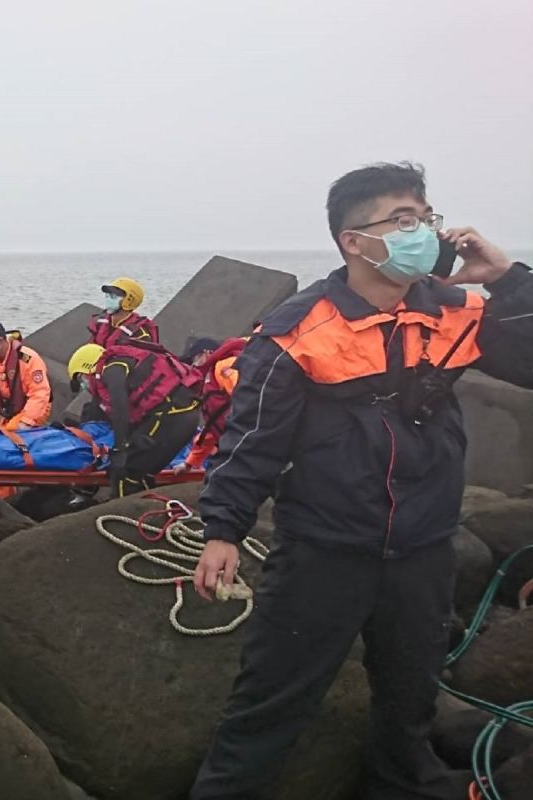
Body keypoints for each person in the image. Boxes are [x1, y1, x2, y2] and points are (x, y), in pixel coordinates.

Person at [189, 162, 533, 800]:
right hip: (323, 549)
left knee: (410, 695)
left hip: (424, 547)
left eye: (425, 218)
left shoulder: (456, 311)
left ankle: (401, 783)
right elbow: (253, 440)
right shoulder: (297, 330)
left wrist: (510, 280)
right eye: (403, 220)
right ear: (354, 240)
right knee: (271, 699)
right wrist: (223, 532)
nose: (423, 231)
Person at [68, 341, 201, 497]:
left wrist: (119, 448)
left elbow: (120, 408)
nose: (85, 386)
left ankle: (122, 516)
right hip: (185, 416)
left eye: (81, 380)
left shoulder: (112, 369)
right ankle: (146, 510)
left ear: (87, 368)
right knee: (143, 473)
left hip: (172, 413)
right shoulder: (126, 366)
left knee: (125, 471)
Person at [176, 337, 246, 474]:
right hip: (243, 445)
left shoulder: (224, 366)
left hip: (255, 443)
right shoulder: (210, 382)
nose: (193, 366)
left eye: (194, 360)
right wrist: (190, 462)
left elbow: (250, 398)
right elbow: (213, 426)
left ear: (207, 353)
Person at [0, 320, 52, 430]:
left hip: (32, 410)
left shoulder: (28, 360)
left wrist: (25, 421)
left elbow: (40, 393)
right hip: (5, 411)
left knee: (12, 432)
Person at [88, 277, 159, 347]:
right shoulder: (100, 323)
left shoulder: (140, 333)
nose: (108, 299)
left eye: (113, 297)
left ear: (129, 301)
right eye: (107, 296)